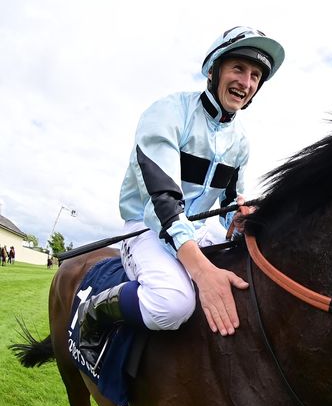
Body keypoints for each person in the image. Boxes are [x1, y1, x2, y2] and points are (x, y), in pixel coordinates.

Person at [76, 26, 285, 366]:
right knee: (173, 304)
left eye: (255, 75)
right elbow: (162, 204)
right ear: (214, 69)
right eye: (238, 69)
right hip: (145, 226)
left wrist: (240, 219)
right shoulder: (168, 112)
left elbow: (228, 207)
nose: (246, 83)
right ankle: (96, 310)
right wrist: (202, 272)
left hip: (196, 228)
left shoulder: (241, 142)